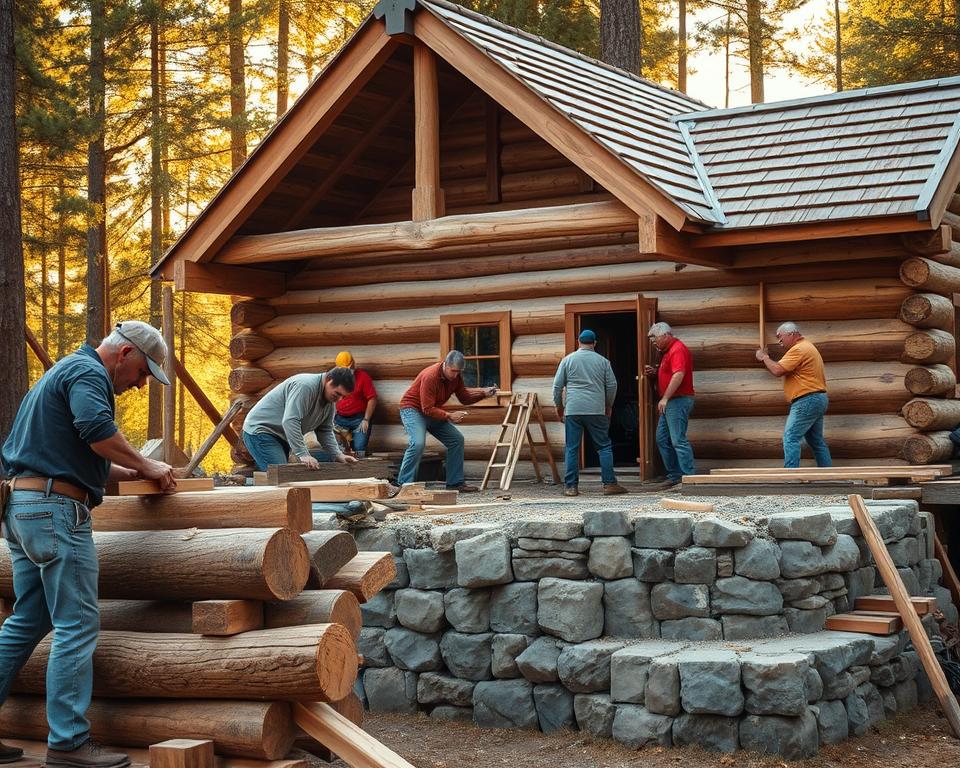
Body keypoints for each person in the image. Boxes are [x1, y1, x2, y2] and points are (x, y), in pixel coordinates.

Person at [0, 321, 177, 768]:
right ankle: (68, 743)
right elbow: (96, 429)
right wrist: (147, 462)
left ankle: (64, 739)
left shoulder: (60, 373)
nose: (139, 385)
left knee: (28, 621)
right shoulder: (87, 373)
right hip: (55, 513)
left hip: (24, 508)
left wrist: (134, 471)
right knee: (77, 625)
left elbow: (77, 452)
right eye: (142, 373)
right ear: (125, 354)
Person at [397, 350, 497, 492]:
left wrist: (483, 393)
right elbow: (426, 408)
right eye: (453, 371)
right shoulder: (430, 376)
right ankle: (403, 485)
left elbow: (464, 398)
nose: (455, 375)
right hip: (412, 410)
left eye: (459, 372)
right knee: (418, 443)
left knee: (456, 439)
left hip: (432, 411)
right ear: (445, 365)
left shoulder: (456, 377)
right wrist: (449, 416)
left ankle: (455, 483)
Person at [553, 329, 628, 497]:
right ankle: (609, 484)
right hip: (596, 409)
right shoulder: (603, 362)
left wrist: (559, 406)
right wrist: (608, 405)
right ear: (594, 343)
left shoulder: (567, 360)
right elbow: (612, 386)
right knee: (604, 446)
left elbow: (557, 386)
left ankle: (571, 487)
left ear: (578, 341)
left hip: (573, 409)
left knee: (572, 448)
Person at [242, 367, 360, 471]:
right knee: (280, 475)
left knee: (282, 474)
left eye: (343, 396)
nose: (339, 399)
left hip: (281, 436)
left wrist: (337, 454)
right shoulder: (305, 386)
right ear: (328, 379)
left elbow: (325, 431)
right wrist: (303, 454)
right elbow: (290, 421)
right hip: (261, 431)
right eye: (337, 394)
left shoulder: (329, 400)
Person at [756, 321, 832, 468]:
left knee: (790, 437)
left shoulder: (799, 349)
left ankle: (790, 476)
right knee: (816, 442)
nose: (779, 342)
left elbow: (777, 370)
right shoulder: (808, 346)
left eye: (780, 337)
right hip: (817, 398)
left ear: (791, 334)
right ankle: (829, 475)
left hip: (807, 399)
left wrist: (764, 357)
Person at [644, 322, 696, 486]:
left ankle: (688, 477)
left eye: (655, 339)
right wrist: (656, 372)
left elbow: (678, 374)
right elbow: (669, 373)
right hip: (672, 401)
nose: (653, 343)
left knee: (678, 440)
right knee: (662, 439)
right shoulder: (667, 352)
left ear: (665, 335)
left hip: (678, 400)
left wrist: (665, 397)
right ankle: (675, 476)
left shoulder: (677, 349)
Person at [332, 351, 378, 458]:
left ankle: (360, 473)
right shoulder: (335, 378)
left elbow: (372, 399)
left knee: (359, 450)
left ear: (353, 364)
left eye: (348, 368)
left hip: (359, 419)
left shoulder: (363, 377)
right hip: (340, 419)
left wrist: (366, 419)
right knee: (339, 450)